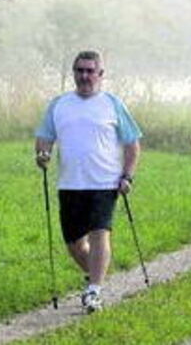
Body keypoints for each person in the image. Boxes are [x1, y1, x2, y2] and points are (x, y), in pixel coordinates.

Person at [34, 50, 142, 313]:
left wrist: (127, 175)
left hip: (104, 182)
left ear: (100, 75)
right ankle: (97, 277)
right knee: (73, 243)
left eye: (90, 71)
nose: (84, 76)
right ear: (74, 73)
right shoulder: (59, 104)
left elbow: (132, 144)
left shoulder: (112, 104)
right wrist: (43, 154)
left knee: (99, 233)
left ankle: (93, 291)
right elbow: (45, 136)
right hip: (69, 183)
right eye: (79, 71)